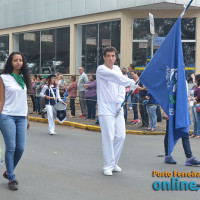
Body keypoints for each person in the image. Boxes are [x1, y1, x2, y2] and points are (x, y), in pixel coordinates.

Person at [96, 46, 137, 176]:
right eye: (108, 56)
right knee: (109, 137)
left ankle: (113, 163)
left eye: (113, 56)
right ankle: (107, 165)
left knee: (121, 136)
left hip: (117, 107)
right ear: (104, 57)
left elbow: (120, 87)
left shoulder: (118, 69)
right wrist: (131, 82)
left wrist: (120, 103)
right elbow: (116, 78)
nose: (111, 58)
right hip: (105, 108)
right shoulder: (101, 69)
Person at [0, 52, 31, 190]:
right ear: (10, 62)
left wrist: (27, 117)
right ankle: (11, 178)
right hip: (7, 115)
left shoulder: (23, 78)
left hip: (21, 117)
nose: (18, 63)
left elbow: (24, 100)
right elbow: (1, 100)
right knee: (11, 147)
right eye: (15, 60)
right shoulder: (3, 78)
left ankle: (7, 172)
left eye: (20, 60)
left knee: (20, 148)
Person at [190, 74, 200, 138]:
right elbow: (191, 93)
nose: (194, 79)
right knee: (194, 119)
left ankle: (198, 133)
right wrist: (190, 98)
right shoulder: (194, 87)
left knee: (198, 119)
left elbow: (199, 96)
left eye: (195, 78)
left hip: (197, 104)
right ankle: (195, 132)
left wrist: (194, 98)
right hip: (193, 104)